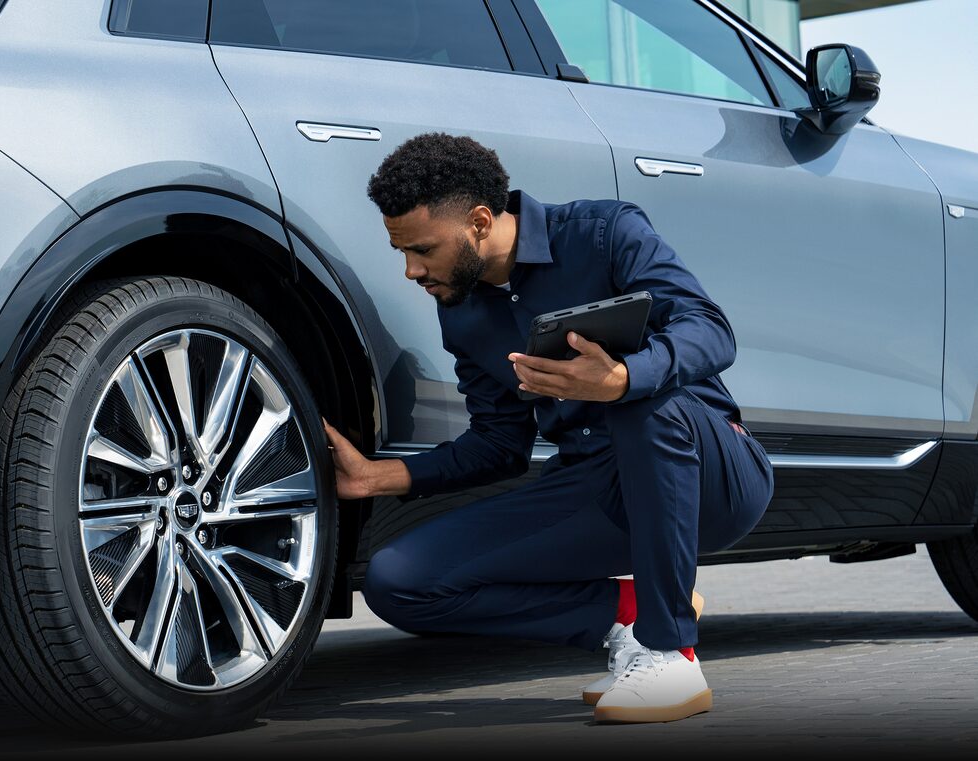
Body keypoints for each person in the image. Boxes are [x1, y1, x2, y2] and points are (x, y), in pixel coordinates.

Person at [321, 132, 774, 724]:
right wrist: (383, 476)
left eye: (423, 250)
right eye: (401, 251)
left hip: (712, 474)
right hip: (596, 489)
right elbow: (499, 445)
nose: (411, 270)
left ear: (480, 221)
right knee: (400, 580)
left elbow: (711, 330)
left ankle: (671, 653)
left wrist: (622, 378)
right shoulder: (462, 311)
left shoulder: (605, 234)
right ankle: (628, 617)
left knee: (642, 400)